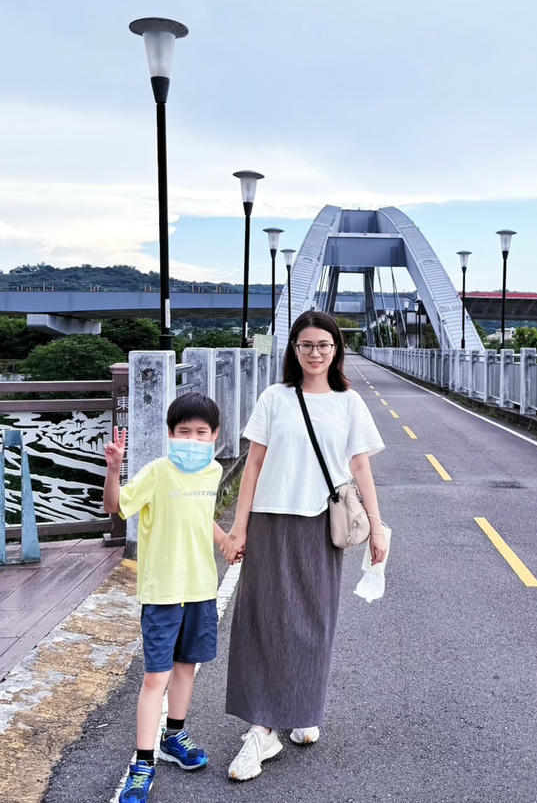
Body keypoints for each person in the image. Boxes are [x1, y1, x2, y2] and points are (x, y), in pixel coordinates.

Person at [220, 310, 388, 782]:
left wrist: (377, 528)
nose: (316, 353)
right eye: (307, 345)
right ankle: (262, 729)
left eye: (324, 345)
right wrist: (239, 528)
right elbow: (253, 465)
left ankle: (301, 708)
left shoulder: (349, 403)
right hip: (271, 519)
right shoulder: (274, 398)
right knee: (264, 621)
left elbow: (360, 468)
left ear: (336, 350)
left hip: (320, 523)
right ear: (294, 350)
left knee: (312, 623)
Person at [103, 392, 229, 803]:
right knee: (156, 677)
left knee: (186, 667)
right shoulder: (157, 472)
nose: (192, 439)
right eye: (183, 431)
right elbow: (114, 507)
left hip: (201, 588)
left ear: (215, 435)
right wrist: (115, 470)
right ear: (170, 434)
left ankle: (174, 735)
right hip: (163, 592)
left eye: (201, 432)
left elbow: (201, 516)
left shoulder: (213, 471)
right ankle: (143, 764)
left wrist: (225, 540)